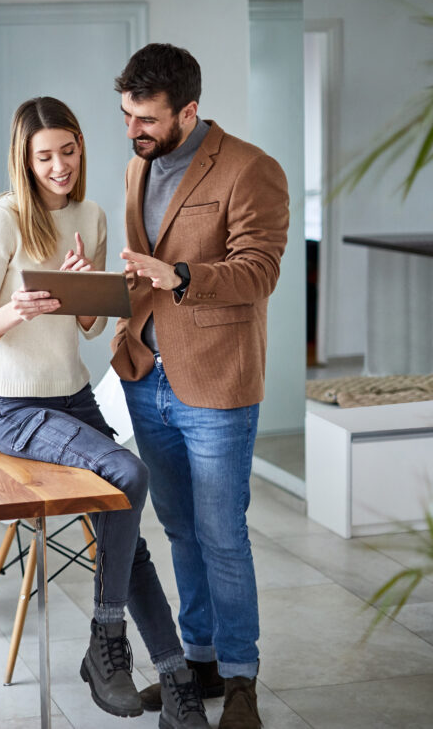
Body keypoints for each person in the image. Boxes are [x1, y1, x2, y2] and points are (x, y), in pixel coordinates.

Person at [0, 96, 207, 727]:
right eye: (44, 156)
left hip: (71, 395)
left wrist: (80, 290)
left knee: (128, 543)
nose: (59, 166)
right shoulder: (2, 221)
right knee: (129, 475)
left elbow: (95, 324)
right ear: (24, 158)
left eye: (68, 150)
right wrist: (21, 309)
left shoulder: (91, 215)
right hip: (13, 407)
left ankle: (177, 689)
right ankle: (106, 640)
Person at [112, 43, 289, 729]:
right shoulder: (136, 167)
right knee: (181, 529)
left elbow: (261, 270)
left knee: (222, 534)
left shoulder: (251, 169)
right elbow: (140, 267)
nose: (135, 129)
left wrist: (181, 276)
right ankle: (201, 660)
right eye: (128, 114)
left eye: (149, 117)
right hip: (145, 376)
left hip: (216, 380)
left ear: (189, 110)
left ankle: (241, 678)